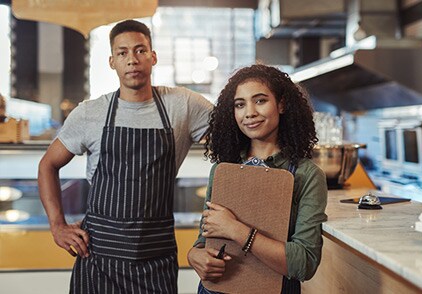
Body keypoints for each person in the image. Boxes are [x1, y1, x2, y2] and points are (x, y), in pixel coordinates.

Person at [38, 19, 212, 293]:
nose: (132, 60)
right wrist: (57, 225)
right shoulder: (90, 113)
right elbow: (48, 165)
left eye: (140, 50)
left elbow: (231, 138)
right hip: (98, 258)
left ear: (153, 57)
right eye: (122, 53)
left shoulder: (184, 105)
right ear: (112, 61)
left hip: (156, 257)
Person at [187, 64, 328, 293]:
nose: (249, 112)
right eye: (240, 105)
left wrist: (235, 229)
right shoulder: (223, 170)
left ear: (281, 105)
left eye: (260, 101)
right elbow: (205, 239)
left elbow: (304, 263)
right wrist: (194, 255)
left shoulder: (307, 175)